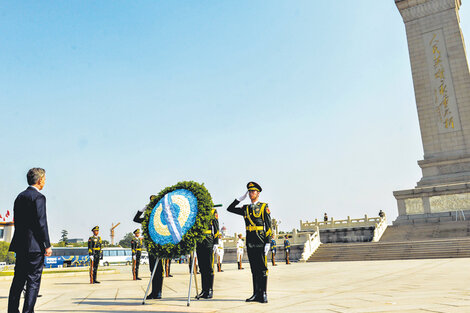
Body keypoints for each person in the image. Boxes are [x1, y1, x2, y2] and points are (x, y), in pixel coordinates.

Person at [8, 168, 52, 313]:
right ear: (40, 180)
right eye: (44, 179)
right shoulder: (39, 197)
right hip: (34, 248)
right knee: (33, 281)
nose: (45, 181)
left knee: (18, 280)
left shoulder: (19, 196)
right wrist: (47, 245)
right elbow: (41, 223)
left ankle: (12, 310)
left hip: (21, 246)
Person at [227, 181, 272, 303]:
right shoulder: (245, 208)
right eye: (250, 191)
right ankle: (255, 294)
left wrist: (268, 242)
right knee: (254, 268)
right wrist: (239, 199)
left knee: (262, 267)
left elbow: (268, 225)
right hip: (250, 240)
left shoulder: (263, 207)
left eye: (253, 191)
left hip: (260, 239)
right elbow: (229, 209)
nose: (251, 193)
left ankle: (263, 294)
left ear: (258, 193)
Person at [133, 196, 164, 299]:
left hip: (158, 245)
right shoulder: (148, 218)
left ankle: (158, 292)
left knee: (158, 269)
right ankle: (155, 292)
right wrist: (142, 209)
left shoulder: (161, 216)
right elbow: (136, 219)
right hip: (151, 246)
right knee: (153, 269)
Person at [195, 206, 219, 299]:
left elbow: (216, 227)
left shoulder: (212, 211)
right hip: (199, 241)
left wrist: (216, 242)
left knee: (209, 267)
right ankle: (204, 290)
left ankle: (209, 290)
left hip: (208, 240)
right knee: (202, 267)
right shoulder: (195, 210)